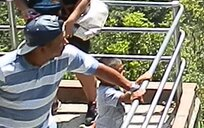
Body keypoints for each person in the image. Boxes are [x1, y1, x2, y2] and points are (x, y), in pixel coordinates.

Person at [13, 0, 100, 124]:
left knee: (82, 66)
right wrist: (26, 10)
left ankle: (93, 103)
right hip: (42, 30)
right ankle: (51, 101)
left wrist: (71, 20)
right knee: (43, 66)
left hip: (71, 27)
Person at [0, 15, 145, 128]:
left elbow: (98, 68)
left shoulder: (65, 55)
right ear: (42, 48)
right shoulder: (5, 70)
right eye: (61, 41)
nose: (66, 43)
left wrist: (131, 87)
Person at [93, 58, 152, 128]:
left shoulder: (114, 84)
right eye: (119, 72)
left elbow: (126, 90)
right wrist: (138, 83)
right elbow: (126, 98)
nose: (123, 73)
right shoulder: (106, 92)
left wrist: (137, 83)